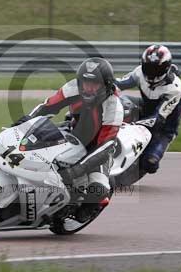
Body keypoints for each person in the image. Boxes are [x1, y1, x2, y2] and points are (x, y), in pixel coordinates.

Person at [13, 57, 123, 219]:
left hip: (96, 150)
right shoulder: (72, 88)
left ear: (105, 85)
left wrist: (79, 169)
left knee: (99, 189)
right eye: (85, 83)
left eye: (94, 84)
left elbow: (105, 147)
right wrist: (26, 121)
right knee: (29, 144)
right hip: (71, 132)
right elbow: (47, 107)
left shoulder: (114, 107)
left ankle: (82, 212)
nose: (88, 89)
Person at [115, 44, 181, 178]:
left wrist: (131, 126)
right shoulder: (139, 72)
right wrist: (101, 87)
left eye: (156, 69)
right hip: (145, 107)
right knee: (121, 102)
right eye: (148, 68)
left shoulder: (174, 88)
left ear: (165, 68)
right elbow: (119, 84)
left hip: (164, 126)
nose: (151, 73)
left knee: (150, 163)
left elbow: (158, 117)